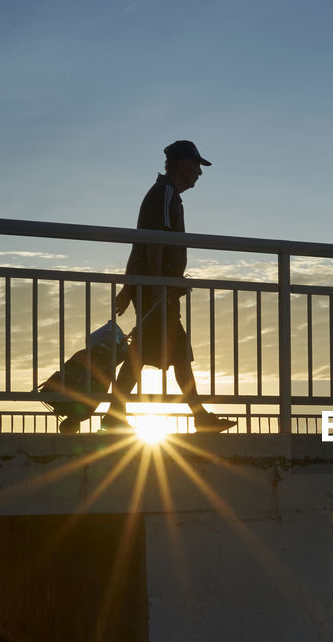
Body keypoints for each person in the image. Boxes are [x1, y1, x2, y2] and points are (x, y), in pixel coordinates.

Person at [100, 140, 235, 434]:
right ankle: (118, 416)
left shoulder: (166, 194)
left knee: (169, 352)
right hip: (156, 291)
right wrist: (160, 284)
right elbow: (155, 242)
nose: (199, 172)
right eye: (196, 165)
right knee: (162, 352)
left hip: (155, 288)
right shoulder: (164, 193)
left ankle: (116, 416)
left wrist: (132, 285)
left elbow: (141, 242)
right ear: (182, 164)